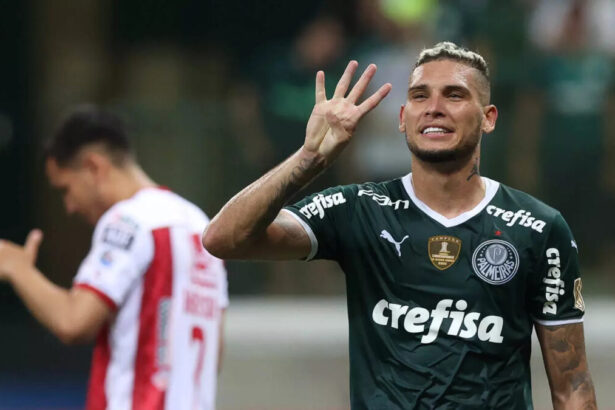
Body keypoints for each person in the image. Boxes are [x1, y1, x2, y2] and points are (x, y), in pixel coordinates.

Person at [203, 42, 596, 408]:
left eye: (454, 95)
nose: (434, 107)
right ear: (403, 118)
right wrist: (309, 159)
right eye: (420, 95)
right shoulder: (358, 208)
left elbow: (573, 385)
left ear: (488, 118)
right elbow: (224, 238)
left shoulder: (539, 228)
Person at [0, 106, 228, 410]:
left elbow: (73, 322)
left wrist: (18, 269)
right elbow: (216, 352)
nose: (69, 207)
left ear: (94, 168)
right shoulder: (203, 226)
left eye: (66, 189)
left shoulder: (128, 221)